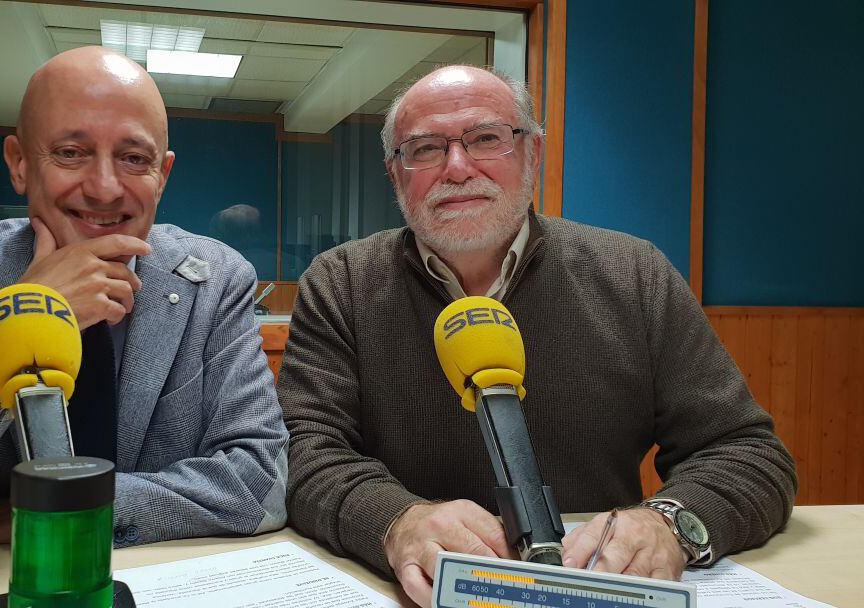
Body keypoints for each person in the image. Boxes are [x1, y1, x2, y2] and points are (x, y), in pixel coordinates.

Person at [277, 65, 796, 608]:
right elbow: (305, 451)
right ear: (395, 174)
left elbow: (746, 452)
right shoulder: (341, 283)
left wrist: (670, 525)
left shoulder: (635, 274)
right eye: (425, 149)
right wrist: (393, 521)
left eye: (485, 139)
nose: (457, 168)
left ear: (533, 153)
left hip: (592, 588)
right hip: (412, 592)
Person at [0, 47, 288, 574]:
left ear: (163, 175)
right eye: (70, 152)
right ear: (18, 163)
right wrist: (21, 321)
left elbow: (260, 485)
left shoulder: (214, 282)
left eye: (134, 158)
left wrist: (30, 513)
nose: (105, 187)